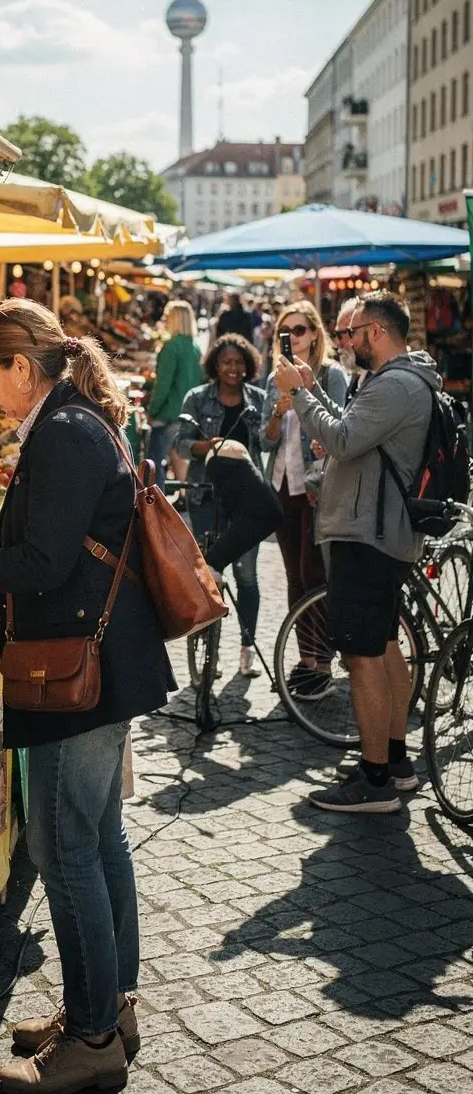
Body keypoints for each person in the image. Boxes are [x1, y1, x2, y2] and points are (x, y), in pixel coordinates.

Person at [0, 298, 173, 1094]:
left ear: (23, 366)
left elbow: (42, 560)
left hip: (78, 661)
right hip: (94, 654)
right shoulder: (74, 423)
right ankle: (108, 1008)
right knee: (99, 838)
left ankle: (89, 1039)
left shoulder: (64, 433)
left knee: (65, 848)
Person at [275, 290, 441, 814]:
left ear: (376, 331)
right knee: (383, 644)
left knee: (362, 656)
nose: (345, 342)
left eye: (352, 333)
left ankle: (375, 783)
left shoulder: (396, 385)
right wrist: (309, 390)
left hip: (367, 534)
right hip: (376, 530)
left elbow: (344, 441)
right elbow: (351, 435)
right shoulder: (401, 381)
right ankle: (394, 762)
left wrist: (300, 397)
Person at [261, 301, 347, 696]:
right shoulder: (274, 378)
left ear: (315, 333)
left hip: (318, 487)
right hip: (283, 485)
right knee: (295, 575)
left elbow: (343, 429)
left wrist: (307, 390)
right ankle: (306, 659)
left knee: (316, 573)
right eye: (286, 331)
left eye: (299, 330)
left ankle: (323, 662)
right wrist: (278, 411)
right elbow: (266, 438)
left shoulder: (331, 374)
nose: (292, 338)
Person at [176, 333, 268, 677]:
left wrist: (275, 420)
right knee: (207, 577)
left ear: (248, 365)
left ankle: (247, 649)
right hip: (206, 498)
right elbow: (181, 443)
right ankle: (205, 652)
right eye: (226, 362)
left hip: (246, 502)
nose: (233, 368)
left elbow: (269, 441)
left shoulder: (257, 400)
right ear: (215, 364)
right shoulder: (197, 398)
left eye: (239, 362)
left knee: (246, 576)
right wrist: (207, 446)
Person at [147, 300, 203, 490]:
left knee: (154, 464)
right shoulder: (194, 347)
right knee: (177, 455)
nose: (164, 320)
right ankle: (186, 500)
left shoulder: (171, 347)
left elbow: (162, 385)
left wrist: (152, 410)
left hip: (168, 413)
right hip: (187, 412)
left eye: (167, 316)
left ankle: (157, 508)